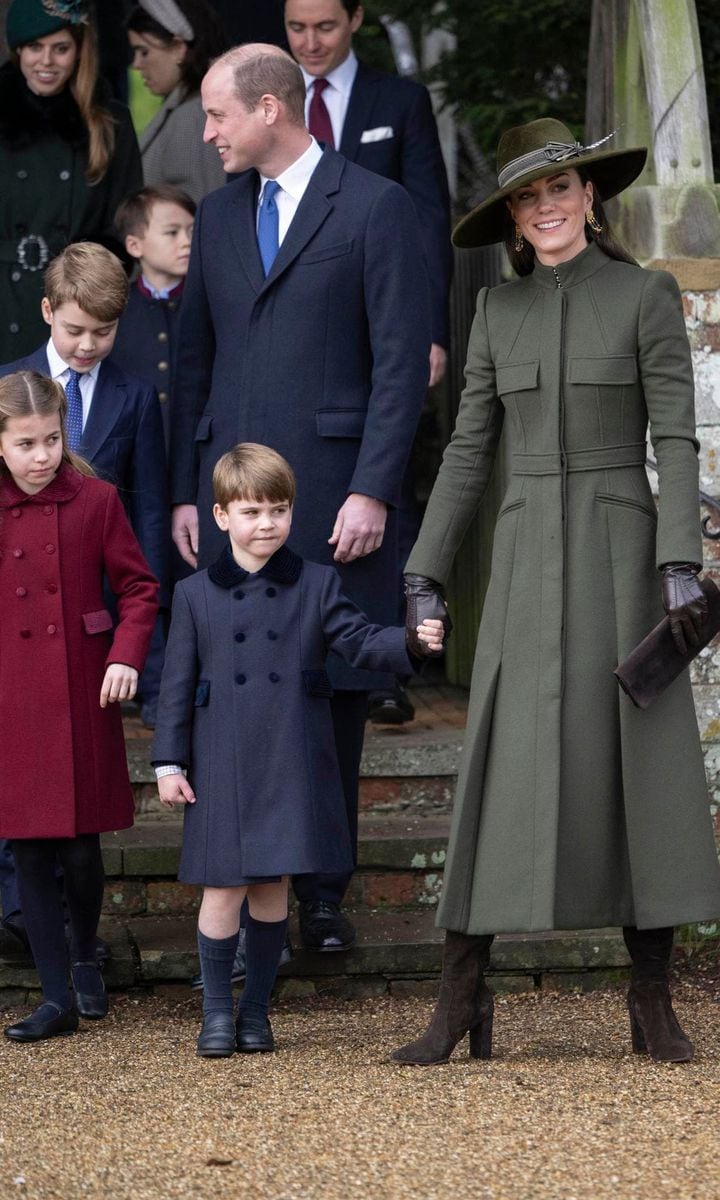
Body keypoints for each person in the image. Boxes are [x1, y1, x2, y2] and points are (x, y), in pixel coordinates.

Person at [391, 117, 720, 1067]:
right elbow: (467, 450)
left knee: (640, 768)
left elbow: (676, 437)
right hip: (527, 555)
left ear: (589, 198)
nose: (547, 209)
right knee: (502, 761)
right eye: (529, 199)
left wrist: (675, 562)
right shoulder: (498, 314)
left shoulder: (645, 295)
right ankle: (461, 998)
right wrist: (423, 570)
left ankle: (651, 1001)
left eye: (561, 191)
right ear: (513, 217)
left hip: (624, 552)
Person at [170, 46, 430, 956]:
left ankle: (321, 898)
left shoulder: (375, 206)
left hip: (331, 506)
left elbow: (401, 367)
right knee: (232, 701)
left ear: (271, 109)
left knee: (331, 699)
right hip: (229, 503)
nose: (206, 133)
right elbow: (192, 366)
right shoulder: (214, 215)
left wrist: (373, 489)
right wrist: (182, 495)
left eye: (216, 116)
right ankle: (236, 896)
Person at [152, 442, 444, 1056]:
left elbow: (360, 640)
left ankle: (256, 1013)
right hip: (221, 760)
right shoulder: (195, 594)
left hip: (288, 755)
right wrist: (168, 762)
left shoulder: (316, 583)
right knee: (221, 888)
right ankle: (215, 1015)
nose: (267, 524)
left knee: (270, 889)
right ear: (222, 516)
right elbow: (176, 684)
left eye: (279, 511)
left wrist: (411, 644)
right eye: (253, 511)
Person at [284, 0, 453, 724]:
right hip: (308, 331)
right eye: (295, 28)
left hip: (385, 323)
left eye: (324, 25)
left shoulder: (399, 101)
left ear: (355, 18)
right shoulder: (273, 99)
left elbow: (427, 219)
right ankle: (301, 653)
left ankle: (386, 664)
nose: (310, 42)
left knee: (388, 488)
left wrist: (430, 332)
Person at [0, 370, 158, 1043]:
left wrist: (125, 654)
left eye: (52, 440)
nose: (41, 455)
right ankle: (56, 994)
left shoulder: (96, 500)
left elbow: (140, 587)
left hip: (81, 685)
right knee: (30, 850)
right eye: (26, 443)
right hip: (11, 693)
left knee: (82, 850)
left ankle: (85, 946)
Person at [0, 241, 172, 725]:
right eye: (74, 330)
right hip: (24, 604)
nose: (87, 345)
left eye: (104, 331)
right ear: (47, 310)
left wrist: (149, 610)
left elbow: (150, 509)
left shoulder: (135, 396)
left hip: (101, 599)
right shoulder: (7, 383)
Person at [0, 0, 142, 363]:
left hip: (75, 314)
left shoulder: (111, 122)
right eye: (34, 47)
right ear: (18, 51)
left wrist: (91, 296)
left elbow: (125, 225)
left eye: (60, 48)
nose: (46, 61)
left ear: (79, 50)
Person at [112, 183, 196, 446]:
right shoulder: (116, 309)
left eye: (192, 231)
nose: (187, 242)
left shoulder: (208, 301)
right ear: (135, 246)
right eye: (172, 232)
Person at [127, 0, 228, 203]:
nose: (136, 64)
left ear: (178, 49)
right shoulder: (185, 110)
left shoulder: (192, 118)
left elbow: (199, 206)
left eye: (144, 51)